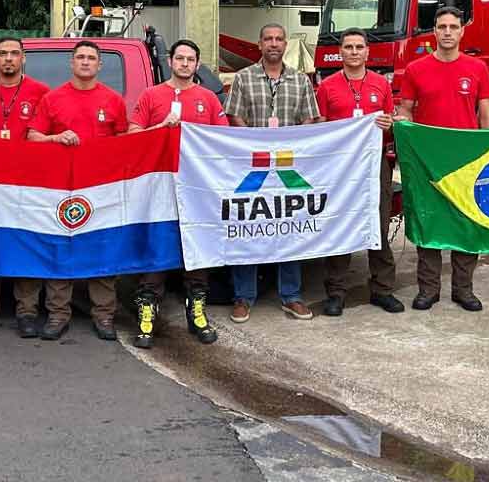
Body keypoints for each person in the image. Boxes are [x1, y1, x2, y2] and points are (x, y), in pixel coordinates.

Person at [394, 6, 489, 312]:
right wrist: (405, 134)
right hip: (427, 160)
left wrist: (487, 147)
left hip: (467, 161)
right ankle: (428, 289)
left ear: (462, 31)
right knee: (429, 223)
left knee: (467, 224)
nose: (448, 32)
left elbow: (487, 112)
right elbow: (406, 110)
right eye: (442, 27)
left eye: (454, 26)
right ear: (434, 31)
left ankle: (463, 290)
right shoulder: (416, 69)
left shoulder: (478, 68)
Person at [28, 41, 132, 340]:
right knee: (61, 247)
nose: (85, 62)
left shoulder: (113, 100)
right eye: (80, 57)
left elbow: (124, 144)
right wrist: (56, 138)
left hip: (101, 188)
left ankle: (104, 316)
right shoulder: (52, 99)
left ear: (100, 65)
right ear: (71, 63)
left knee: (103, 249)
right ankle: (58, 314)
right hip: (60, 187)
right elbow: (33, 137)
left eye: (91, 58)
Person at [127, 39, 227, 348]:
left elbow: (223, 138)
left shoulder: (208, 98)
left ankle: (196, 310)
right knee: (158, 244)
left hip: (197, 187)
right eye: (180, 58)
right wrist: (159, 127)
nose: (185, 64)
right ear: (170, 61)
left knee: (196, 246)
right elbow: (132, 135)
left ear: (197, 65)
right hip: (159, 186)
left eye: (191, 59)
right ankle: (147, 313)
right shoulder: (151, 95)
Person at [223, 23, 322, 322]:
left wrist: (289, 143)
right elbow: (234, 115)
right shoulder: (243, 78)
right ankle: (244, 296)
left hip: (289, 165)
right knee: (249, 226)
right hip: (253, 164)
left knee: (289, 227)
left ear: (285, 44)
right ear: (259, 44)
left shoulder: (300, 80)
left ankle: (291, 295)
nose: (274, 44)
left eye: (279, 39)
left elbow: (310, 118)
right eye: (268, 39)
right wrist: (257, 143)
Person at [313, 29, 402, 316]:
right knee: (341, 224)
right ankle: (336, 292)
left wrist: (390, 124)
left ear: (367, 52)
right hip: (339, 169)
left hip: (375, 165)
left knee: (378, 224)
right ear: (340, 52)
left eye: (359, 47)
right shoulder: (326, 87)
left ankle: (383, 289)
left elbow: (391, 123)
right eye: (348, 47)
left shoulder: (381, 85)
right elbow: (320, 127)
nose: (353, 52)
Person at [0, 36, 51, 339]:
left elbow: (44, 136)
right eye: (2, 54)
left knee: (25, 244)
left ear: (23, 58)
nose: (8, 59)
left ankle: (27, 312)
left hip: (27, 184)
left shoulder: (41, 92)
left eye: (14, 54)